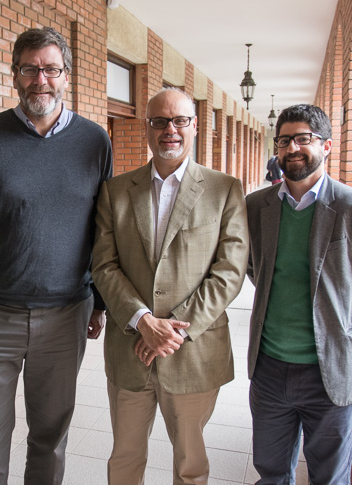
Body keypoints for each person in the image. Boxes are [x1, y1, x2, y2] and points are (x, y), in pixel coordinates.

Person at [0, 26, 113, 485]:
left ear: (67, 75)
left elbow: (104, 228)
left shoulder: (95, 141)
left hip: (65, 314)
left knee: (51, 434)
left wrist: (98, 300)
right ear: (15, 75)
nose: (42, 80)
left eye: (52, 69)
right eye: (30, 69)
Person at [92, 88, 249, 485]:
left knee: (190, 466)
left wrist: (173, 329)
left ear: (195, 126)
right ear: (147, 127)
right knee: (124, 459)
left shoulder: (224, 189)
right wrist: (143, 320)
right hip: (131, 349)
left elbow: (229, 271)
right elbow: (104, 265)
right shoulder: (116, 191)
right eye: (159, 121)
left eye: (179, 120)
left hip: (192, 352)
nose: (170, 130)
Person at [245, 104, 352, 484]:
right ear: (276, 149)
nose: (293, 147)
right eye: (284, 140)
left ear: (327, 145)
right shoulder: (256, 206)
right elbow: (251, 266)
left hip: (332, 370)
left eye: (303, 139)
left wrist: (339, 318)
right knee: (271, 472)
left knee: (328, 477)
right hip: (270, 368)